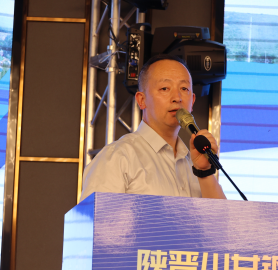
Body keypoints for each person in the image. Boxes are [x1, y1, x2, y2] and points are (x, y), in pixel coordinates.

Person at [80, 54, 226, 200]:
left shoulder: (194, 162)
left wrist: (205, 171)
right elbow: (97, 214)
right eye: (164, 88)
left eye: (184, 88)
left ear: (192, 101)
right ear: (141, 100)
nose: (177, 97)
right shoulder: (117, 157)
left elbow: (221, 215)